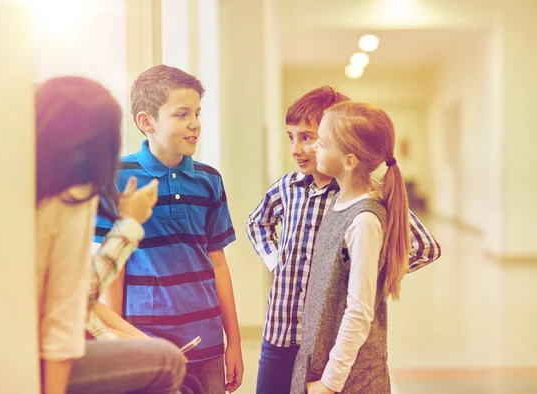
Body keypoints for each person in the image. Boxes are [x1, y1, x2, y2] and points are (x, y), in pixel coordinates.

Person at [246, 86, 442, 394]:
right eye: (290, 137)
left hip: (329, 341)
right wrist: (277, 264)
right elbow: (257, 222)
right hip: (282, 330)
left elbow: (424, 247)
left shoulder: (363, 198)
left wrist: (365, 276)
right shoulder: (289, 186)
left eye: (309, 138)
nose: (296, 148)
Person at [95, 64, 243, 394]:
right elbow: (111, 269)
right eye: (181, 114)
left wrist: (233, 341)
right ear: (146, 121)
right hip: (144, 345)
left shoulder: (210, 180)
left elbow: (218, 263)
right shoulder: (118, 178)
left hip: (206, 345)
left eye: (197, 113)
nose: (194, 124)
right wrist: (118, 345)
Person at [35, 76, 185, 394]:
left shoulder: (24, 188)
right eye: (182, 114)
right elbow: (65, 315)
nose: (193, 125)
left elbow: (76, 292)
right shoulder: (73, 196)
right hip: (35, 360)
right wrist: (130, 224)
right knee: (168, 361)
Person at [291, 101, 417, 393]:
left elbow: (359, 312)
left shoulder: (364, 221)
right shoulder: (338, 203)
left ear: (349, 161)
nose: (313, 149)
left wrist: (329, 383)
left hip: (350, 378)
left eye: (322, 143)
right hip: (321, 360)